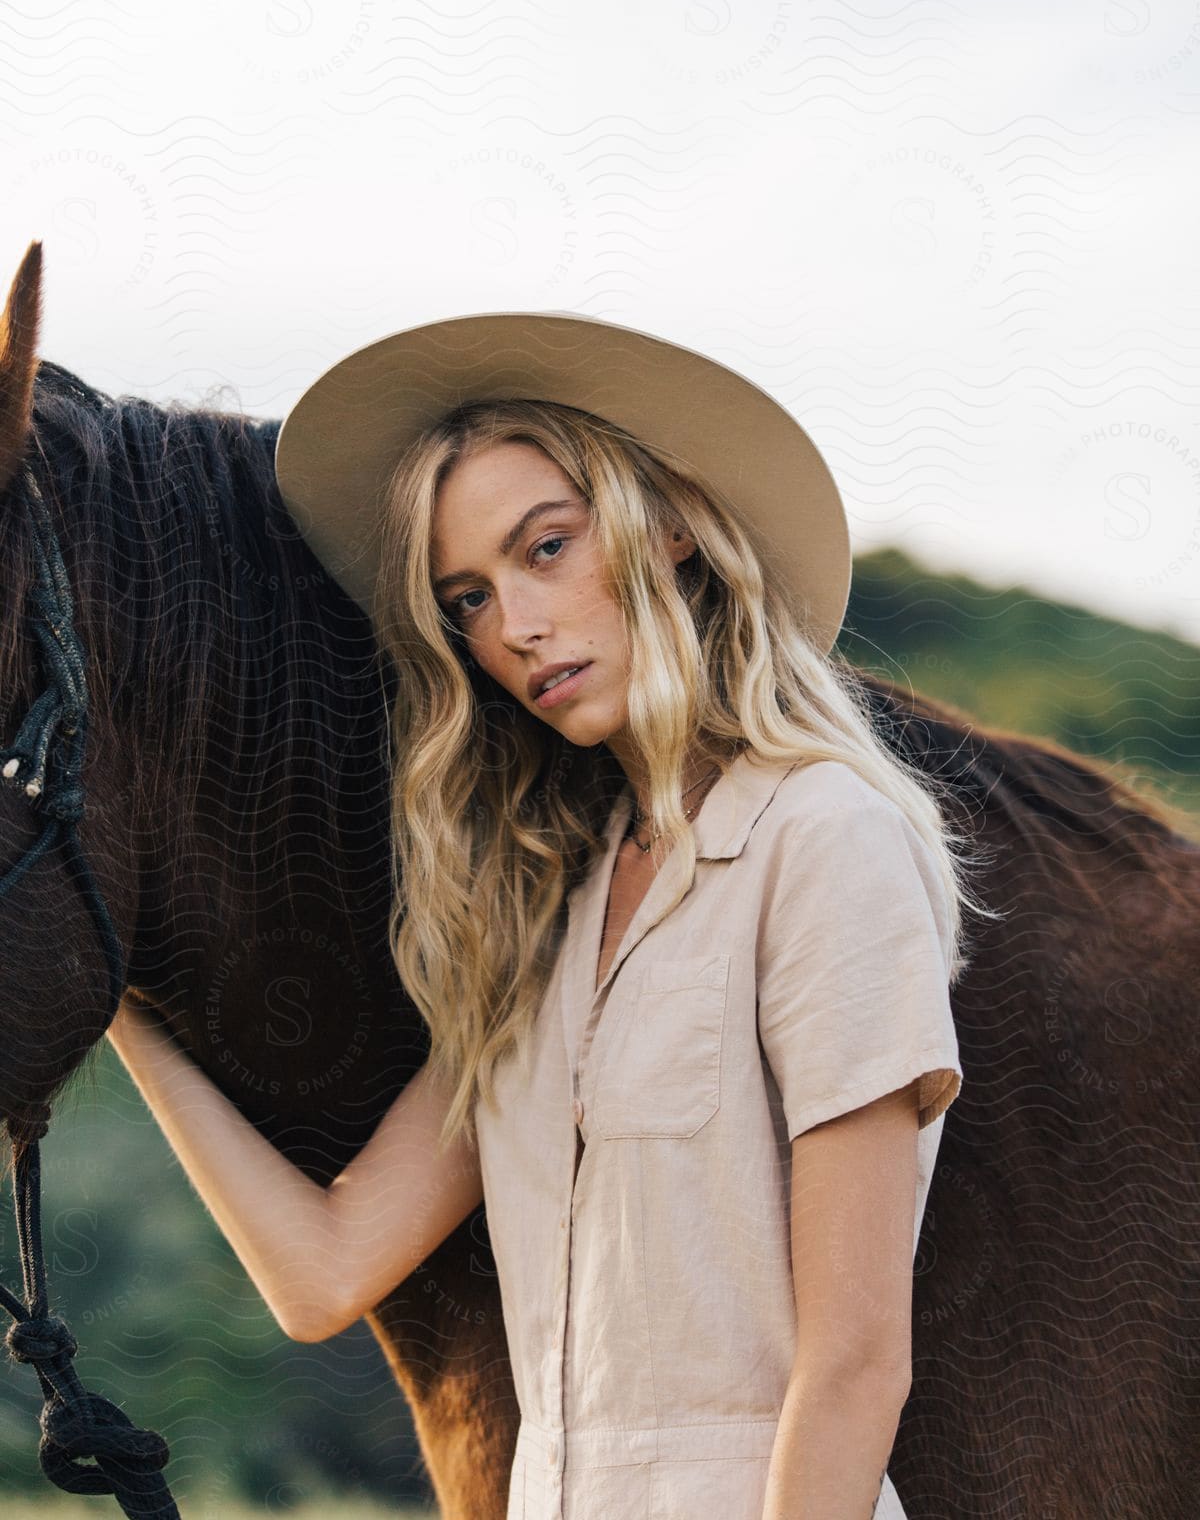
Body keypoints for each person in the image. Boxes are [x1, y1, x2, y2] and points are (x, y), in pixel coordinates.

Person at [107, 307, 982, 1520]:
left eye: (547, 548)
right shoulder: (547, 911)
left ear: (667, 526)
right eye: (466, 598)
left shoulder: (825, 840)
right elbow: (321, 1274)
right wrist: (122, 1001)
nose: (512, 627)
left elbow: (853, 1368)